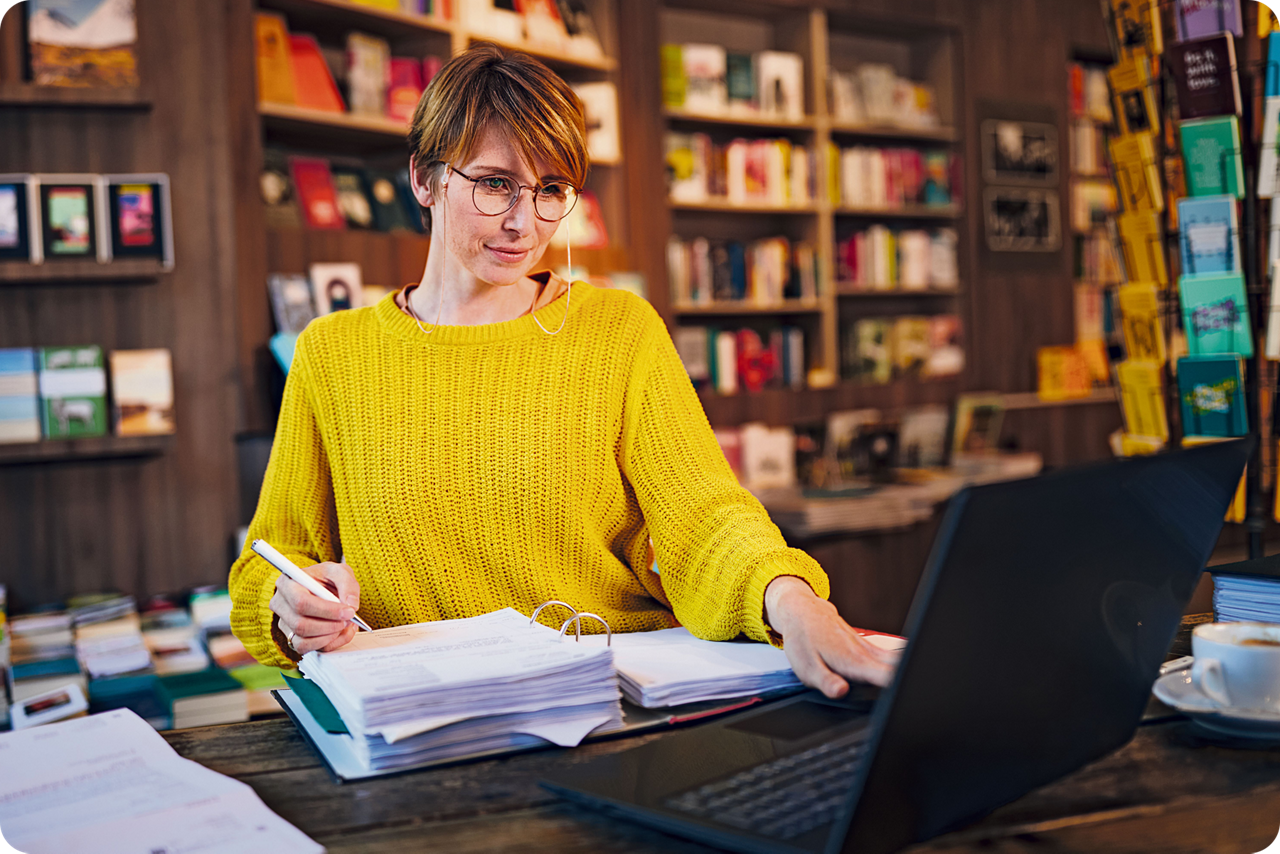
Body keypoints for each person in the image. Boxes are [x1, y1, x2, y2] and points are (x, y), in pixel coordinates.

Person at [228, 43, 895, 698]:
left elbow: (707, 518)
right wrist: (292, 606)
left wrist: (795, 602)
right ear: (423, 180)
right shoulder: (333, 354)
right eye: (495, 184)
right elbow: (269, 561)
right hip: (420, 724)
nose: (525, 221)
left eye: (552, 190)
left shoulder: (620, 331)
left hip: (606, 705)